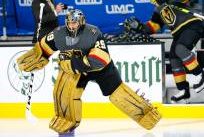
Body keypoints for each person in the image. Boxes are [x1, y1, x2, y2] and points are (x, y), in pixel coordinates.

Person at [16, 9, 161, 134]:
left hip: (99, 69)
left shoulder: (93, 32)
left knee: (119, 94)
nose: (72, 25)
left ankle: (146, 115)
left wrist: (73, 64)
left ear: (82, 22)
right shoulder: (58, 34)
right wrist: (32, 60)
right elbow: (43, 48)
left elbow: (100, 59)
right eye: (70, 22)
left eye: (75, 22)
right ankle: (66, 119)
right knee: (62, 91)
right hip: (76, 70)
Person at [124, 0, 204, 103]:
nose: (151, 0)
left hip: (192, 24)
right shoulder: (158, 9)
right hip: (178, 32)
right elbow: (154, 26)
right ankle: (183, 90)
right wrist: (139, 27)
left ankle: (202, 76)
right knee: (174, 58)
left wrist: (165, 1)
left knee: (180, 49)